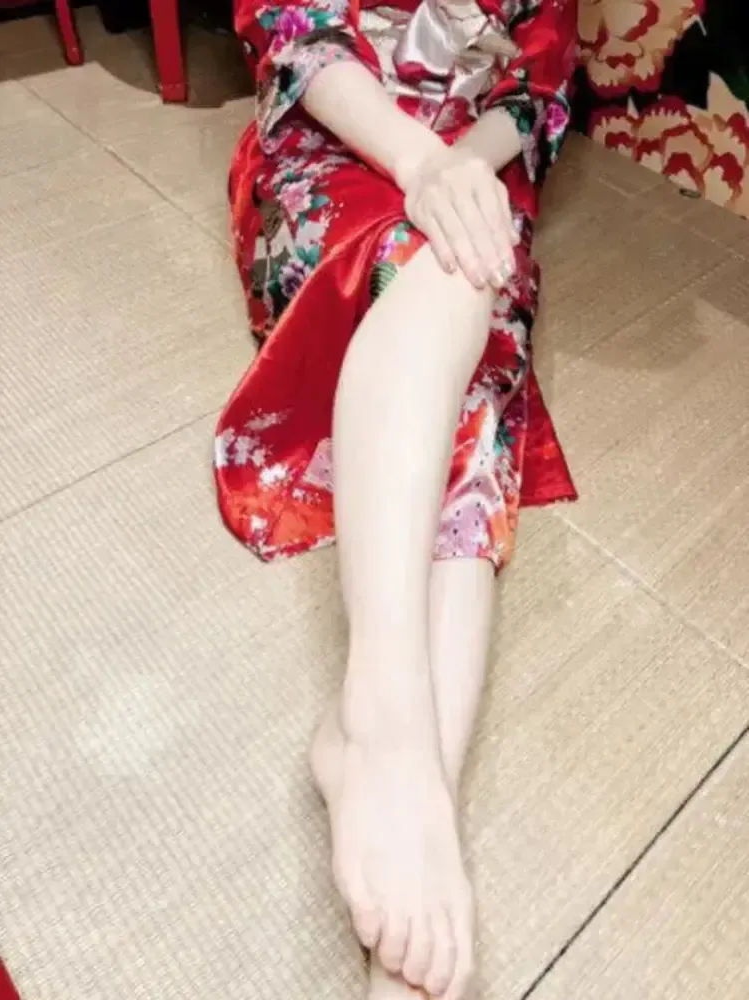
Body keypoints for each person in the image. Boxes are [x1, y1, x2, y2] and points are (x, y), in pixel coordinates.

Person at [214, 1, 578, 997]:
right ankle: (387, 727)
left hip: (473, 172)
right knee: (453, 285)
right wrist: (420, 165)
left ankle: (398, 767)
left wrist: (462, 169)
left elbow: (538, 87)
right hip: (340, 142)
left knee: (478, 364)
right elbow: (292, 30)